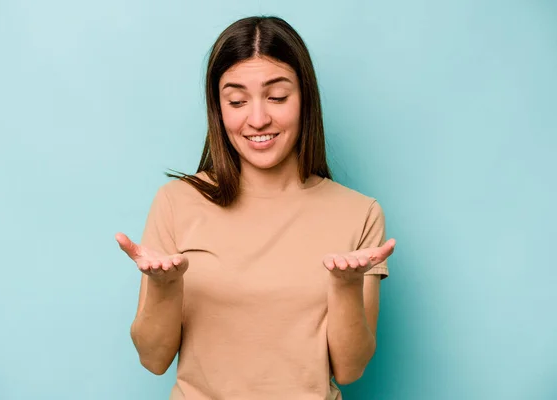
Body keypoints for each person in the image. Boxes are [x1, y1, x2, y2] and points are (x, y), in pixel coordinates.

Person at [115, 15, 396, 400]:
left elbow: (349, 370)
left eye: (277, 97)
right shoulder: (177, 202)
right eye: (236, 101)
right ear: (219, 109)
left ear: (305, 98)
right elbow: (153, 358)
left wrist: (345, 287)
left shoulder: (359, 213)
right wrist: (165, 288)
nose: (258, 118)